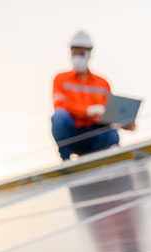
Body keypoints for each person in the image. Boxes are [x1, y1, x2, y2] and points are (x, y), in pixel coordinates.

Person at [51, 30, 130, 160]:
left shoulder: (102, 83)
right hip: (72, 133)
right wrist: (88, 111)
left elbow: (110, 113)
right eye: (74, 52)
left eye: (81, 53)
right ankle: (65, 160)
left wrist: (127, 122)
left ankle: (105, 158)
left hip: (94, 134)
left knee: (112, 135)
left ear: (89, 53)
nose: (77, 57)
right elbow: (60, 106)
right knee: (59, 117)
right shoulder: (61, 79)